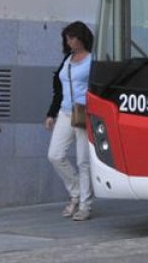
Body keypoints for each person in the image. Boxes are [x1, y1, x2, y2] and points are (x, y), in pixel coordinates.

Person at [45, 21, 94, 221]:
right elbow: (59, 90)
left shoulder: (92, 60)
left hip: (83, 113)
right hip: (65, 113)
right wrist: (51, 114)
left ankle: (85, 204)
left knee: (83, 161)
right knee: (55, 155)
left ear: (82, 38)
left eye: (73, 37)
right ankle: (75, 192)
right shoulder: (67, 59)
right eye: (67, 38)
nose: (70, 41)